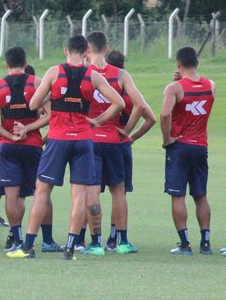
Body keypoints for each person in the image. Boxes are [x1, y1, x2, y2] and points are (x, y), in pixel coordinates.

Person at [7, 35, 124, 260]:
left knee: (42, 191)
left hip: (58, 139)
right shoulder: (94, 76)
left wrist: (55, 95)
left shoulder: (54, 72)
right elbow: (118, 102)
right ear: (87, 53)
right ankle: (70, 248)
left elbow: (33, 104)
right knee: (79, 195)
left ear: (66, 51)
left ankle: (28, 246)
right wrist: (98, 121)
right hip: (83, 140)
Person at [0, 48, 62, 253]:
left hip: (7, 147)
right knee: (42, 192)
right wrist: (28, 128)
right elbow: (51, 115)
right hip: (33, 145)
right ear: (25, 63)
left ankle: (17, 239)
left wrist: (8, 136)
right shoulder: (36, 82)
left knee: (11, 193)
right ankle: (47, 240)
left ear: (6, 64)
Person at [82, 32, 154, 255]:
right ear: (106, 49)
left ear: (87, 51)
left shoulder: (84, 74)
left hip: (90, 139)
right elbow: (141, 106)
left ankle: (95, 244)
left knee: (91, 191)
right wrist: (126, 131)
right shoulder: (121, 75)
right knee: (118, 191)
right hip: (114, 140)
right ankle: (122, 242)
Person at [160, 47, 214, 255]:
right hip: (201, 146)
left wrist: (167, 139)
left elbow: (165, 114)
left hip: (180, 146)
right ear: (197, 63)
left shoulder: (174, 88)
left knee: (178, 195)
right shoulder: (211, 86)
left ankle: (184, 243)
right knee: (200, 195)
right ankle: (206, 242)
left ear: (178, 65)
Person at [103, 50, 156, 251]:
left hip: (99, 140)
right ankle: (116, 238)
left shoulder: (104, 87)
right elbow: (150, 118)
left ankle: (87, 239)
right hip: (121, 145)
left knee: (88, 191)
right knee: (119, 193)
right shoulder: (129, 89)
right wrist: (129, 136)